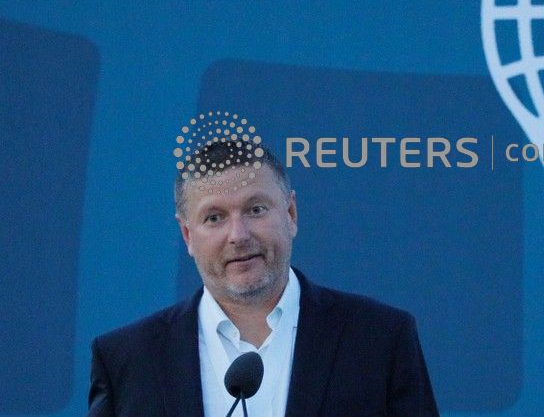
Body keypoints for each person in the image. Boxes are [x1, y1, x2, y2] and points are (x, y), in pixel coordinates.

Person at [88, 140, 439, 416]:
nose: (238, 235)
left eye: (255, 210)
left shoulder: (380, 337)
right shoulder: (128, 359)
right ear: (187, 235)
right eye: (214, 218)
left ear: (291, 213)